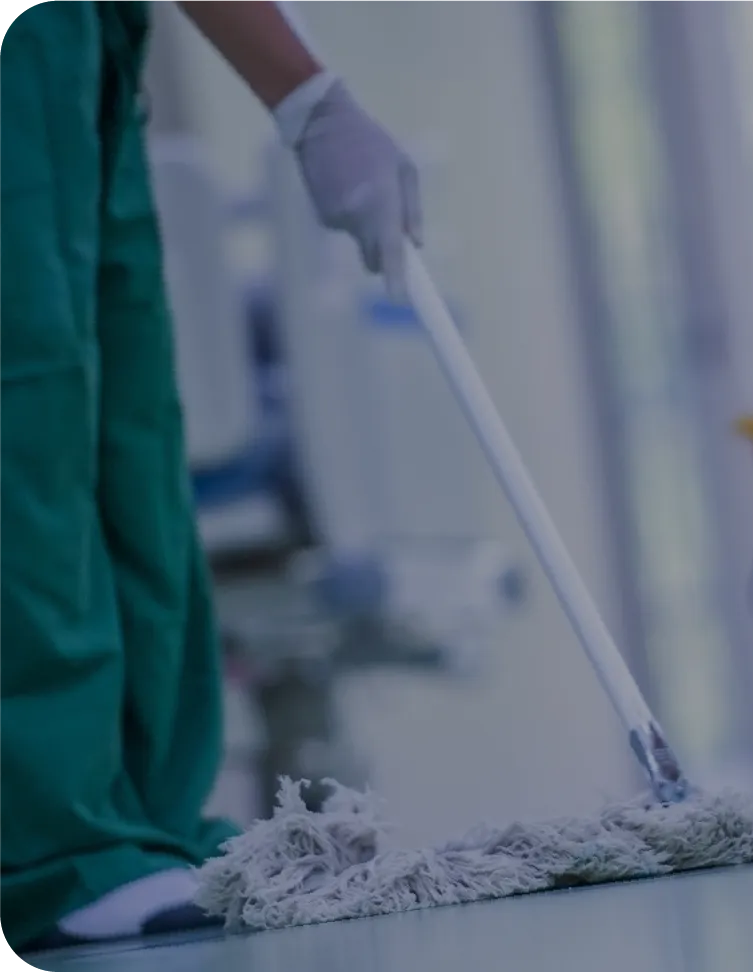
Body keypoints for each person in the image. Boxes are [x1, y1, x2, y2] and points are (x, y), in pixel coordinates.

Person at [0, 0, 422, 955]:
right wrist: (302, 95)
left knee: (125, 432)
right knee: (24, 433)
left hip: (74, 40)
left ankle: (141, 824)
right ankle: (50, 850)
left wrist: (307, 99)